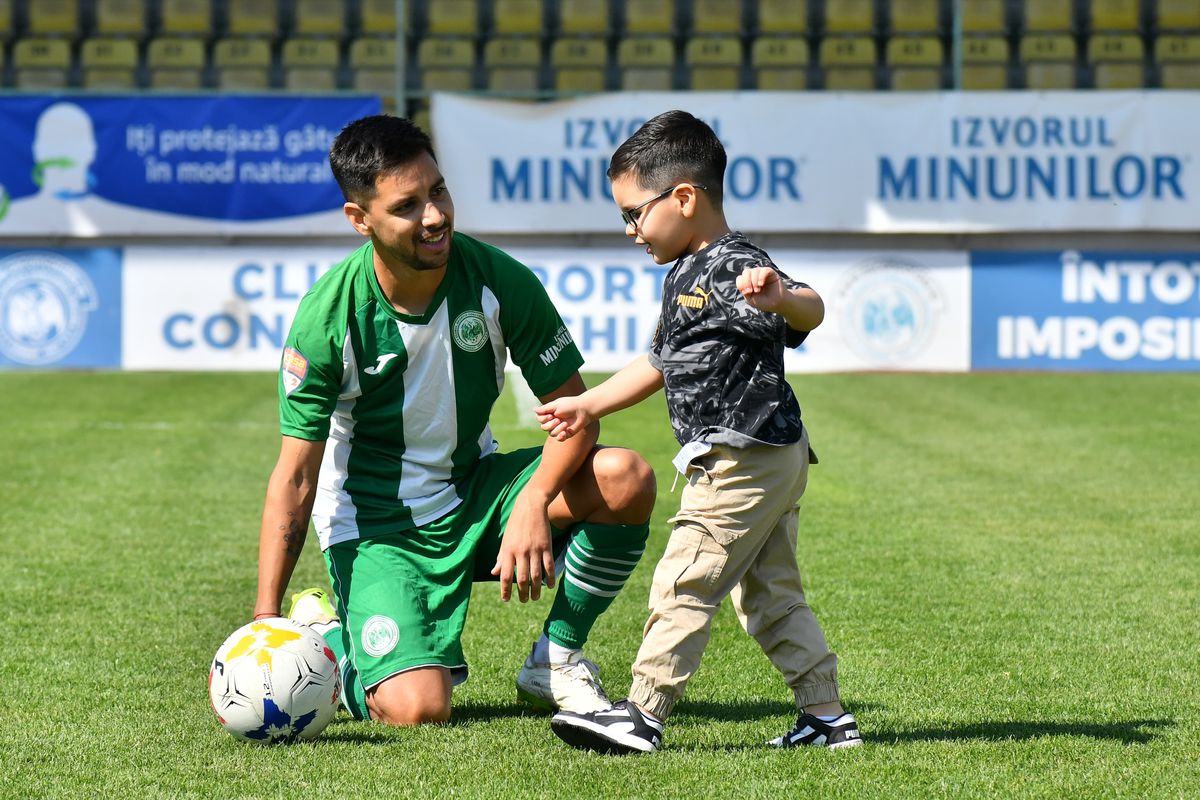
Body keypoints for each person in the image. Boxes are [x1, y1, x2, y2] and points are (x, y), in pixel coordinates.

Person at [253, 114, 656, 726]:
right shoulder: (328, 317)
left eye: (437, 191)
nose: (435, 215)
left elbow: (579, 416)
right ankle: (330, 643)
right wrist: (266, 619)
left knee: (625, 477)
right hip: (377, 527)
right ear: (359, 220)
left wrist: (534, 499)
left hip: (474, 492)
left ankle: (555, 659)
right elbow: (296, 478)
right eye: (407, 205)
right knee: (420, 710)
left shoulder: (499, 280)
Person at [539, 110, 861, 753]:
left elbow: (813, 306)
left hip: (743, 455)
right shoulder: (684, 273)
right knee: (768, 595)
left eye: (634, 213)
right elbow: (660, 361)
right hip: (772, 454)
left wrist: (780, 298)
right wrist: (590, 405)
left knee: (686, 576)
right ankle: (827, 718)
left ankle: (644, 714)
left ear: (684, 198)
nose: (630, 230)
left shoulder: (733, 264)